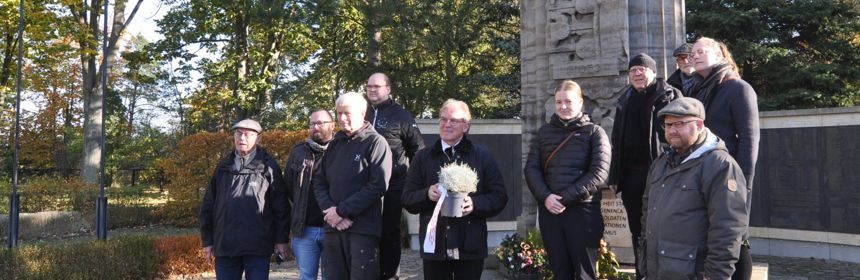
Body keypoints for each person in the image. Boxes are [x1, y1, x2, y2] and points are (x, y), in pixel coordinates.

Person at [639, 97, 749, 279]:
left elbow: (728, 228)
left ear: (699, 125)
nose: (672, 130)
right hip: (657, 272)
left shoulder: (719, 165)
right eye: (668, 125)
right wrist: (644, 267)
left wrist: (716, 275)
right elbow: (646, 215)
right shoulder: (660, 163)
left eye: (679, 124)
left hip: (693, 272)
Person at [402, 99, 508, 280]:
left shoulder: (482, 156)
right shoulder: (423, 157)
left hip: (470, 246)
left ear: (466, 126)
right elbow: (407, 198)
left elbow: (499, 197)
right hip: (435, 246)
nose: (447, 124)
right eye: (443, 119)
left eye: (453, 120)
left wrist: (474, 204)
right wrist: (426, 195)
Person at [524, 80, 611, 279]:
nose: (563, 106)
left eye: (568, 102)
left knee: (584, 273)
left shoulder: (595, 133)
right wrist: (546, 197)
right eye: (559, 102)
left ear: (580, 103)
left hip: (583, 212)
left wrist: (564, 199)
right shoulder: (544, 132)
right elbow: (531, 168)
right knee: (559, 270)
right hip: (550, 212)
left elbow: (599, 174)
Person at [690, 37, 759, 280]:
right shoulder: (696, 90)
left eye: (701, 51)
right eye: (692, 52)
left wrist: (743, 185)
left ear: (719, 56)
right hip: (700, 175)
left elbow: (749, 140)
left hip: (729, 178)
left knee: (735, 238)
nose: (694, 55)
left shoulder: (738, 88)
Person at [607, 53, 681, 279]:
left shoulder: (669, 95)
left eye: (642, 69)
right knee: (637, 231)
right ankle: (642, 273)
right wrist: (614, 177)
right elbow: (617, 139)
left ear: (654, 72)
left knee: (662, 228)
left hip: (661, 173)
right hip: (631, 178)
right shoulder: (624, 100)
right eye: (633, 71)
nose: (637, 74)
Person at [314, 92, 393, 280]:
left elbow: (378, 185)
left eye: (347, 113)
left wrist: (342, 211)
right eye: (339, 113)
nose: (342, 118)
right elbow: (319, 181)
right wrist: (331, 211)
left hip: (362, 230)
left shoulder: (376, 142)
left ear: (362, 112)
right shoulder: (334, 144)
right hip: (333, 228)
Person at [200, 119, 290, 280]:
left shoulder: (268, 167)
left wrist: (281, 240)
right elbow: (208, 205)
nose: (242, 138)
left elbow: (281, 207)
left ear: (258, 139)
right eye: (238, 133)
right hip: (225, 246)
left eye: (247, 134)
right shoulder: (223, 167)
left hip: (257, 246)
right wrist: (207, 241)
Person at [364, 72, 426, 280]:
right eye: (369, 86)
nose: (372, 89)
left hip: (392, 185)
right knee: (366, 233)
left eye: (377, 86)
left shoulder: (402, 116)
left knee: (389, 233)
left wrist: (410, 181)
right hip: (362, 187)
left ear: (388, 89)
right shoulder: (360, 113)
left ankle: (390, 276)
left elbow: (418, 150)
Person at [285, 109, 336, 280]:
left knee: (334, 276)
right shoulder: (298, 151)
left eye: (320, 123)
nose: (315, 127)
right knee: (306, 276)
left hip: (334, 228)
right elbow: (289, 187)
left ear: (332, 125)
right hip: (304, 229)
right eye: (312, 124)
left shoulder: (342, 149)